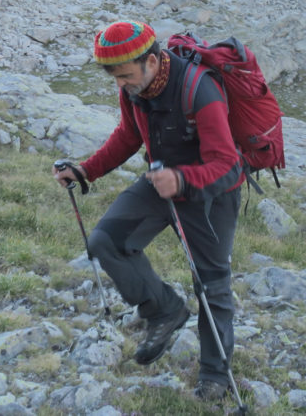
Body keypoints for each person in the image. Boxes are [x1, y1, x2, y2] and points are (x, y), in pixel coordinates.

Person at [53, 21, 244, 401]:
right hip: (160, 183)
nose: (121, 84)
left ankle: (214, 375)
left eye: (125, 76)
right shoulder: (134, 90)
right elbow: (128, 135)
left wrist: (183, 180)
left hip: (210, 193)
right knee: (106, 241)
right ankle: (164, 310)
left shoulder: (199, 89)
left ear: (153, 61)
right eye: (116, 78)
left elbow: (228, 164)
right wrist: (85, 169)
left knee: (211, 283)